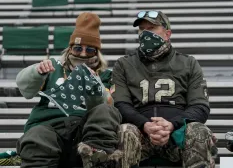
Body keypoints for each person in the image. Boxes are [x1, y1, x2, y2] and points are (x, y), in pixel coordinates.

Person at [112, 11, 217, 168]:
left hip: (177, 136)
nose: (145, 33)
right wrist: (145, 125)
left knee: (198, 130)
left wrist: (171, 125)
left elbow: (200, 107)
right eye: (142, 29)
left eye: (152, 28)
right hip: (140, 135)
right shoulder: (124, 64)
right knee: (124, 131)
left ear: (167, 34)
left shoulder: (188, 63)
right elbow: (120, 104)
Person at [15, 12, 122, 168]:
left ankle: (95, 156)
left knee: (105, 111)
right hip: (49, 127)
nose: (83, 53)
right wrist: (37, 72)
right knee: (39, 135)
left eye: (90, 50)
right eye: (78, 48)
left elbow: (107, 107)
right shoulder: (53, 66)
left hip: (85, 131)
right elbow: (25, 89)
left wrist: (94, 85)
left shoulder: (106, 75)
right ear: (70, 48)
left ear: (97, 53)